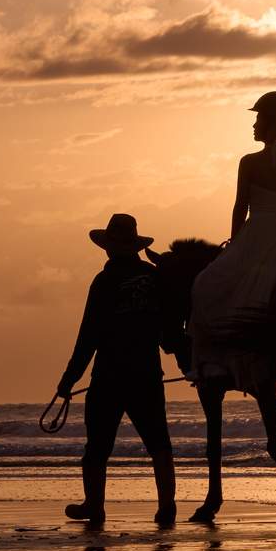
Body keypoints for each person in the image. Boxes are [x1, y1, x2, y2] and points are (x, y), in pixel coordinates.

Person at [57, 213, 183, 526]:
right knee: (159, 443)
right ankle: (167, 506)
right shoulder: (155, 278)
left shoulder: (104, 282)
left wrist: (68, 380)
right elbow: (170, 331)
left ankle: (95, 506)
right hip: (147, 373)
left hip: (109, 376)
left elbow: (88, 337)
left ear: (109, 247)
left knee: (97, 448)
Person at [188, 91, 276, 392]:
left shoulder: (249, 162)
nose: (254, 125)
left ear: (270, 122)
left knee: (206, 286)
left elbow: (240, 206)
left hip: (255, 231)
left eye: (258, 119)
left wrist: (234, 244)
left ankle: (215, 362)